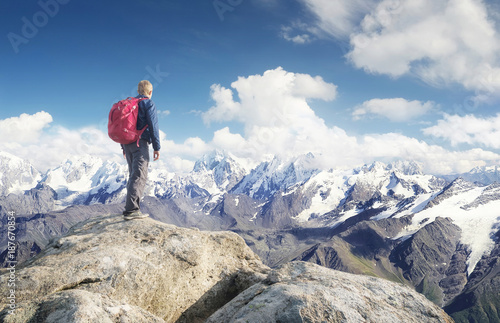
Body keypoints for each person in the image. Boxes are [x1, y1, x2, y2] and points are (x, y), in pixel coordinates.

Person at [121, 80, 161, 220]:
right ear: (150, 92)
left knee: (133, 174)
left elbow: (123, 125)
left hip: (127, 143)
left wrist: (123, 146)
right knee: (139, 175)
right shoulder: (148, 103)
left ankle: (129, 209)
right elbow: (153, 126)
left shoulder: (129, 104)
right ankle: (132, 211)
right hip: (140, 143)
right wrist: (157, 147)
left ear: (138, 91)